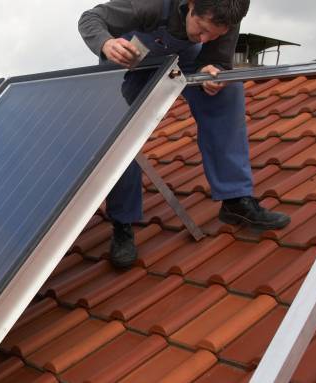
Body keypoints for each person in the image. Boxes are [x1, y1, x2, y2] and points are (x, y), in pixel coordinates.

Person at [78, 0, 290, 269]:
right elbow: (90, 18)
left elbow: (217, 59)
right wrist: (106, 44)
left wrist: (211, 71)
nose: (205, 38)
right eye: (201, 29)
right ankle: (123, 224)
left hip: (184, 60)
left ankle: (235, 199)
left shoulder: (228, 15)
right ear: (190, 5)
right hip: (133, 57)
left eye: (213, 35)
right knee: (120, 130)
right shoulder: (150, 5)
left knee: (228, 89)